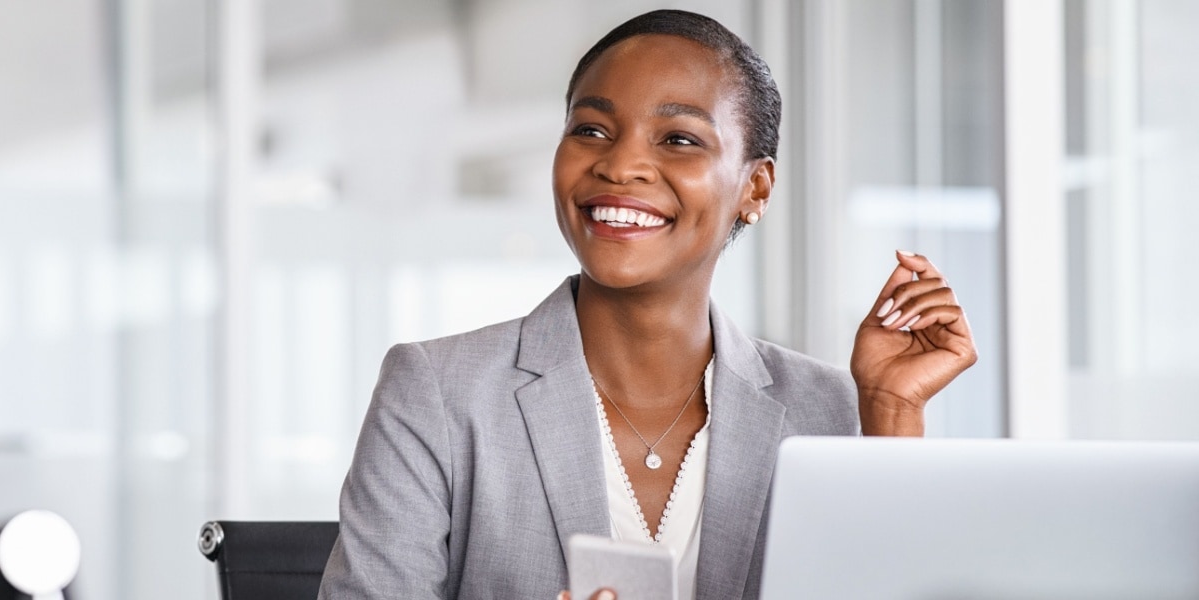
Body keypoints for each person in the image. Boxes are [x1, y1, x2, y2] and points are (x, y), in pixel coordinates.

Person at [318, 9, 977, 600]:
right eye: (592, 129)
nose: (621, 164)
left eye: (679, 139)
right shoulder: (436, 395)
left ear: (756, 187)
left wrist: (891, 412)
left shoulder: (834, 412)